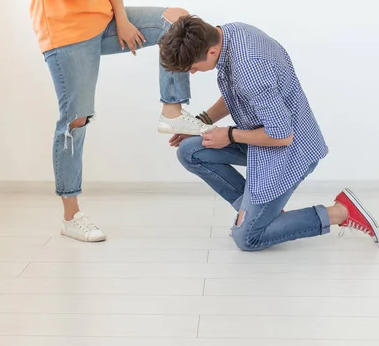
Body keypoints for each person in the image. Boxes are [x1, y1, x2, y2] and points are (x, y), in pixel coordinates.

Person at [13, 0, 211, 242]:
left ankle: (172, 110)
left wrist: (121, 18)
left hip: (103, 21)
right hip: (65, 35)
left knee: (177, 21)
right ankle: (72, 214)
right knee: (76, 119)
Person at [159, 15, 379, 250]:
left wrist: (229, 135)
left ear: (211, 52)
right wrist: (200, 122)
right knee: (190, 151)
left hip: (289, 148)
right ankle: (254, 212)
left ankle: (340, 211)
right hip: (261, 139)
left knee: (248, 238)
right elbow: (239, 92)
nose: (192, 72)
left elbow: (281, 135)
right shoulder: (231, 34)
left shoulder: (249, 68)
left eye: (193, 67)